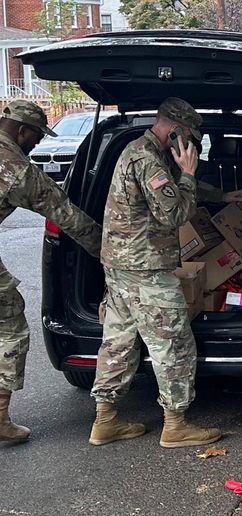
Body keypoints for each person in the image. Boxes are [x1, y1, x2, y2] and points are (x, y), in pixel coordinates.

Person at [89, 97, 242, 448]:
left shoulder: (143, 152)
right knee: (172, 343)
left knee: (118, 340)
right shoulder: (148, 160)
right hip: (146, 269)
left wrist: (220, 196)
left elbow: (171, 189)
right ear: (175, 130)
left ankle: (105, 420)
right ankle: (176, 425)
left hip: (120, 265)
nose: (192, 143)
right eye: (189, 135)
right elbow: (174, 212)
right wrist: (190, 171)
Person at [0, 100, 102, 442]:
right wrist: (109, 252)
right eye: (36, 137)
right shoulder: (16, 168)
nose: (37, 144)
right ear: (21, 130)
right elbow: (67, 215)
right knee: (10, 327)